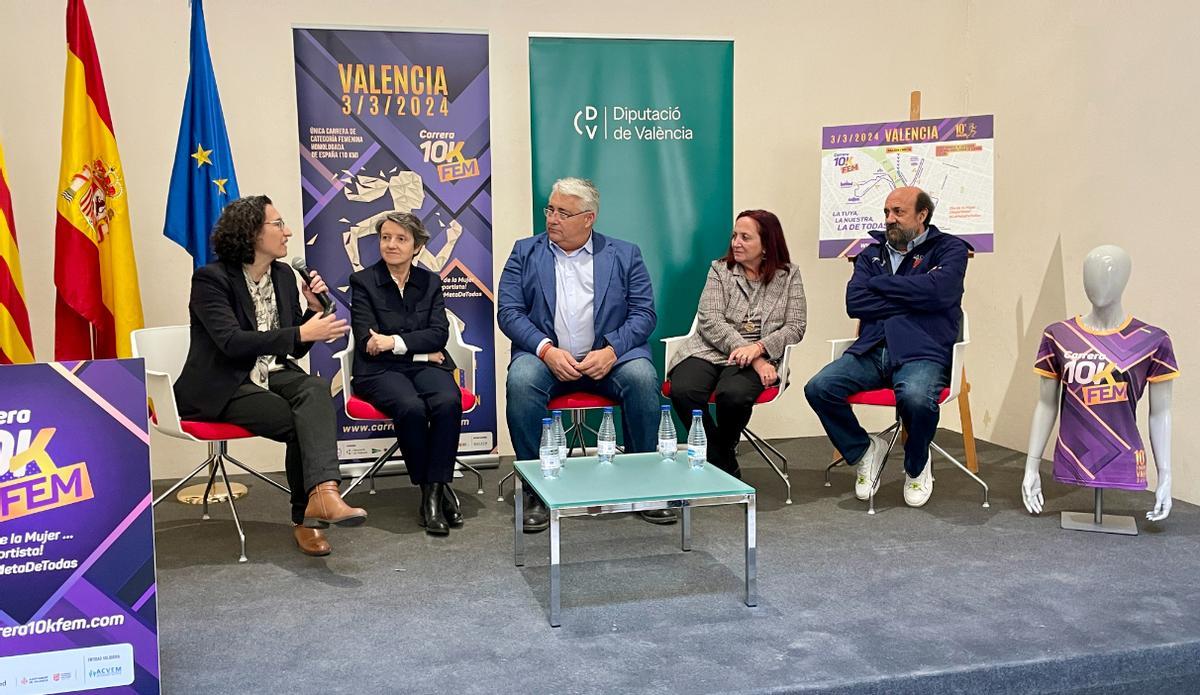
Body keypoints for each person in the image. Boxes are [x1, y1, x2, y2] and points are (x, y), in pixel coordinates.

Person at [174, 195, 367, 557]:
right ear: (251, 233)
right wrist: (301, 333)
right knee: (302, 422)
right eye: (278, 224)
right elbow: (231, 343)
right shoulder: (210, 279)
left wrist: (310, 315)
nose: (288, 232)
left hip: (272, 372)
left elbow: (292, 349)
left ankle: (324, 497)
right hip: (225, 383)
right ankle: (308, 517)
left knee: (314, 390)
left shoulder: (282, 274)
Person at [498, 177, 668, 531]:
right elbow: (509, 312)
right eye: (550, 209)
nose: (552, 219)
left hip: (609, 358)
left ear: (588, 218)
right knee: (522, 379)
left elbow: (644, 313)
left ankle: (645, 485)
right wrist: (545, 350)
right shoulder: (524, 252)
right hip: (546, 356)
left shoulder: (625, 254)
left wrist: (613, 349)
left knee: (641, 377)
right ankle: (534, 488)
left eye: (563, 212)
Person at [803, 186, 969, 508]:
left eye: (899, 212)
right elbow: (855, 302)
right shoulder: (871, 254)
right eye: (887, 212)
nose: (889, 219)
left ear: (922, 216)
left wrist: (880, 285)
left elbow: (940, 294)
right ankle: (865, 449)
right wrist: (914, 298)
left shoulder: (950, 249)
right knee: (819, 387)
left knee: (917, 397)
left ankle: (917, 465)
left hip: (922, 350)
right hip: (872, 349)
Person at [348, 212, 464, 536]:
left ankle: (434, 489)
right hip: (378, 371)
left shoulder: (430, 282)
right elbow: (366, 339)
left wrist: (393, 341)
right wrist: (409, 344)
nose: (391, 245)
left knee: (447, 400)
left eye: (401, 238)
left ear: (417, 245)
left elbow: (438, 333)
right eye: (386, 237)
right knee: (411, 408)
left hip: (425, 364)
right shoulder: (363, 282)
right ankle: (433, 492)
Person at [666, 210, 806, 478]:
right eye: (734, 236)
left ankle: (719, 452)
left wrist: (760, 348)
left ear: (766, 245)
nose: (735, 243)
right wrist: (754, 357)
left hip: (763, 354)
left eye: (745, 237)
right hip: (709, 349)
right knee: (683, 390)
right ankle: (722, 458)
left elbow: (796, 326)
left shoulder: (789, 275)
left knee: (733, 395)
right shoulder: (720, 269)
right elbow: (710, 321)